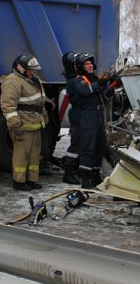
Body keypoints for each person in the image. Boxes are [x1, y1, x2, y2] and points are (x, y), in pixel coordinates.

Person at [1, 53, 48, 190]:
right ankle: (19, 181)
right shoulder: (12, 81)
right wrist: (15, 125)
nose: (32, 72)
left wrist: (44, 117)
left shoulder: (33, 79)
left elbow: (39, 101)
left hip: (35, 123)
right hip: (23, 125)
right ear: (20, 68)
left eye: (33, 70)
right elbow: (8, 106)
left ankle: (32, 179)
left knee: (34, 155)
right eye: (30, 70)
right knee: (21, 155)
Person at [73, 52, 111, 189]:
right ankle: (85, 179)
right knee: (88, 147)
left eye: (91, 63)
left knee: (99, 146)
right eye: (87, 64)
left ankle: (94, 175)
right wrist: (99, 83)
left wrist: (111, 83)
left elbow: (105, 94)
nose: (90, 66)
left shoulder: (94, 78)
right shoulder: (79, 80)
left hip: (98, 114)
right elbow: (86, 91)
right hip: (88, 115)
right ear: (81, 67)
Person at [61, 51, 81, 184]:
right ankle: (68, 173)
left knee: (80, 144)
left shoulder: (75, 77)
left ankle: (74, 169)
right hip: (78, 115)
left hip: (80, 114)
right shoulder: (73, 81)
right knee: (76, 146)